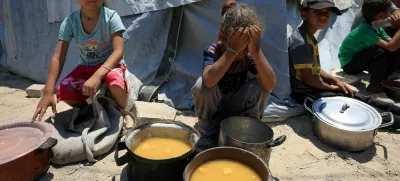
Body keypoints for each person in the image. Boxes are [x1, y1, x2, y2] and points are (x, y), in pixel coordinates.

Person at [289, 0, 400, 130]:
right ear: (304, 14)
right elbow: (310, 80)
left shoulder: (308, 36)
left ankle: (395, 111)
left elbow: (315, 68)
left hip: (315, 86)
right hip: (308, 92)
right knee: (355, 105)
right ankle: (395, 121)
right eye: (317, 12)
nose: (323, 16)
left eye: (327, 12)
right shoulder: (302, 43)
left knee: (359, 97)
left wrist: (335, 81)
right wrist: (333, 88)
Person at [32, 0, 130, 131]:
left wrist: (97, 76)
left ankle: (123, 112)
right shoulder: (71, 21)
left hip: (111, 65)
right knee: (65, 90)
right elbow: (58, 57)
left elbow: (118, 51)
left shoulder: (111, 17)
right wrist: (48, 92)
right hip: (86, 67)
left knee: (114, 82)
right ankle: (91, 110)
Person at [192, 0, 276, 152]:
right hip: (215, 110)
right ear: (221, 36)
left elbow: (270, 84)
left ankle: (249, 130)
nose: (241, 54)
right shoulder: (214, 50)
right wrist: (232, 51)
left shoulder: (250, 55)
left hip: (239, 115)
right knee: (201, 85)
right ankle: (207, 134)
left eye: (245, 49)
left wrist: (256, 53)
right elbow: (209, 81)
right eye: (238, 47)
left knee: (262, 87)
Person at [339, 0, 400, 103]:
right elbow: (390, 46)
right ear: (380, 15)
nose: (390, 15)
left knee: (393, 49)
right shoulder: (365, 30)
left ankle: (383, 81)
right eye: (388, 12)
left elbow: (392, 43)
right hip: (349, 64)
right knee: (380, 51)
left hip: (360, 58)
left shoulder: (376, 27)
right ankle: (374, 89)